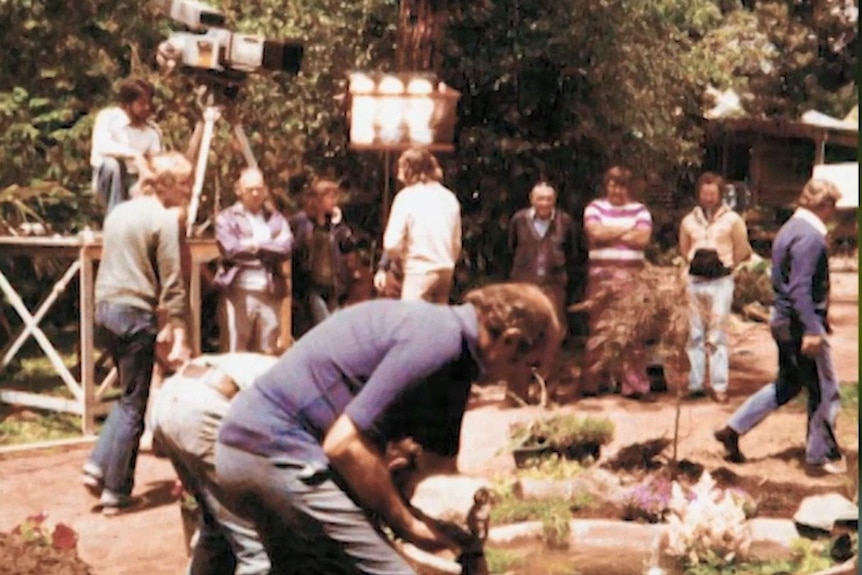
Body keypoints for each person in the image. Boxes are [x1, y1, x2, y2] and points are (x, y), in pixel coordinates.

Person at [214, 283, 561, 574]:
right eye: (530, 368)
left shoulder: (456, 360)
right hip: (273, 450)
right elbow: (344, 445)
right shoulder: (438, 341)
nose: (527, 384)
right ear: (511, 341)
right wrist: (407, 526)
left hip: (253, 449)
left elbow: (437, 471)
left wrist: (463, 543)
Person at [81, 151, 193, 512]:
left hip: (104, 309)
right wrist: (180, 329)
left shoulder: (118, 213)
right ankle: (117, 489)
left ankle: (98, 464)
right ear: (168, 185)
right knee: (136, 403)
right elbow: (173, 279)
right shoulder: (163, 219)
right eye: (186, 185)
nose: (190, 192)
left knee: (126, 395)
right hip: (134, 313)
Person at [714, 178, 846, 474]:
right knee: (826, 389)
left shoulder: (789, 229)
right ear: (823, 205)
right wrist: (813, 328)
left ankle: (733, 428)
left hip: (783, 320)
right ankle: (819, 456)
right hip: (800, 324)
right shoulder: (810, 237)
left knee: (788, 384)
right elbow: (800, 288)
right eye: (832, 207)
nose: (833, 213)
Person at [152, 353, 278, 575]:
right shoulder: (327, 391)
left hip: (168, 401)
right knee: (257, 546)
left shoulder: (286, 368)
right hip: (205, 407)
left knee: (215, 525)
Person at [678, 172, 753, 403]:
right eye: (704, 193)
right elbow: (683, 249)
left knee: (717, 334)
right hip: (695, 282)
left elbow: (743, 250)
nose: (708, 197)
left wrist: (727, 266)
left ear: (720, 195)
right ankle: (695, 383)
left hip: (721, 282)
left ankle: (720, 385)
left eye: (713, 193)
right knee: (695, 334)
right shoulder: (689, 221)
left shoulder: (733, 220)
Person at [581, 166, 654, 400]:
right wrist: (626, 231)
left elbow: (642, 238)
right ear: (607, 185)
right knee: (599, 328)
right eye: (612, 184)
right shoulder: (595, 207)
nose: (616, 189)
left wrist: (609, 231)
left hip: (632, 276)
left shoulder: (640, 210)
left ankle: (633, 386)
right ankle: (594, 382)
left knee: (631, 329)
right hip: (600, 276)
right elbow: (594, 233)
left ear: (628, 188)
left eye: (621, 185)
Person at [214, 167, 293, 355]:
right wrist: (270, 247)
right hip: (239, 291)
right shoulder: (227, 218)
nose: (256, 193)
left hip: (270, 291)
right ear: (239, 190)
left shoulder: (275, 218)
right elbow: (231, 249)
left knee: (268, 352)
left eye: (259, 188)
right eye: (250, 189)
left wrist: (255, 245)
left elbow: (286, 248)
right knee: (236, 350)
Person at [374, 147, 461, 303]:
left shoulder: (407, 197)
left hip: (419, 270)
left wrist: (400, 263)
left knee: (412, 322)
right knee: (438, 322)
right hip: (445, 270)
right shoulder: (449, 197)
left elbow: (392, 243)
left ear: (409, 170)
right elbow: (455, 243)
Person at [506, 180, 581, 338]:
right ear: (532, 199)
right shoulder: (518, 220)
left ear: (554, 200)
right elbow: (509, 250)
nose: (545, 203)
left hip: (554, 284)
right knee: (522, 326)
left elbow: (573, 254)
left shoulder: (565, 221)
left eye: (549, 199)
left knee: (553, 329)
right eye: (540, 198)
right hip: (523, 283)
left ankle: (550, 362)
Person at [289, 178, 356, 337]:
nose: (335, 201)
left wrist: (338, 224)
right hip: (311, 285)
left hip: (332, 285)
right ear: (318, 199)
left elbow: (347, 246)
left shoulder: (333, 223)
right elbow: (294, 250)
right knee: (326, 328)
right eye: (331, 197)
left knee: (334, 327)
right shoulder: (301, 221)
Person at [90, 77, 163, 217]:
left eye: (148, 103)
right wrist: (134, 155)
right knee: (112, 165)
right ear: (127, 104)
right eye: (141, 103)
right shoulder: (108, 118)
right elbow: (101, 146)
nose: (146, 108)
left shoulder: (152, 131)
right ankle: (115, 219)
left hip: (136, 178)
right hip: (107, 178)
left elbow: (156, 159)